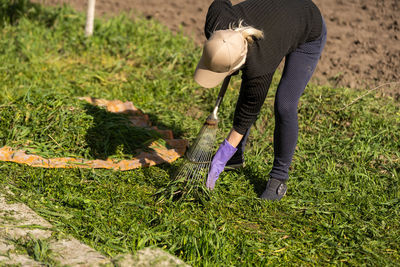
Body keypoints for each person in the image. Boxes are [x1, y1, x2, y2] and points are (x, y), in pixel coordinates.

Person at [193, 0, 327, 200]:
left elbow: (249, 110)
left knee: (284, 104)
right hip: (279, 20)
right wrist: (227, 51)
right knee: (250, 90)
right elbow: (221, 2)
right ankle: (237, 157)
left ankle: (279, 178)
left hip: (307, 27)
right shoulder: (217, 21)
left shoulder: (260, 66)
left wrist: (223, 152)